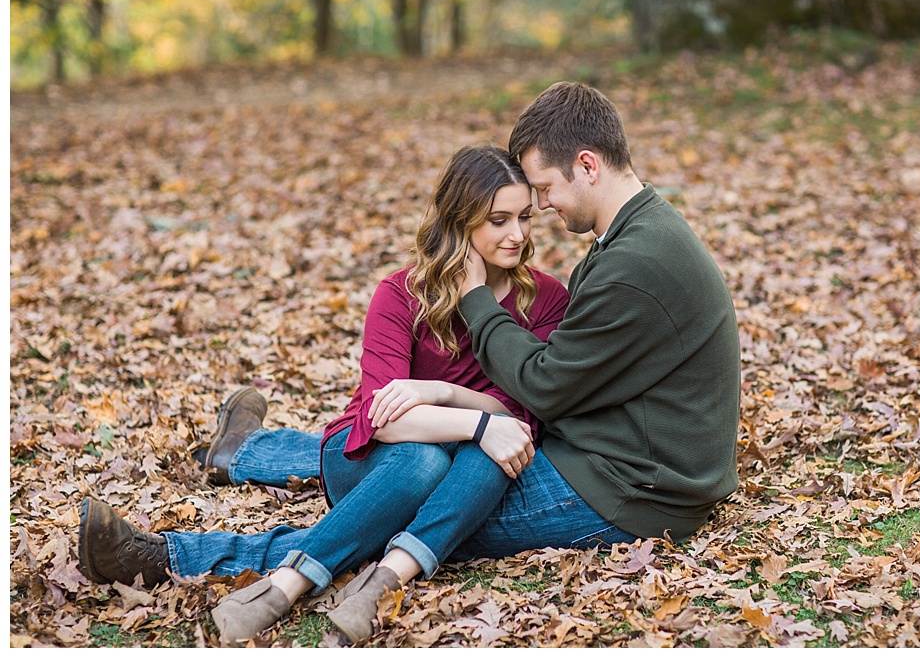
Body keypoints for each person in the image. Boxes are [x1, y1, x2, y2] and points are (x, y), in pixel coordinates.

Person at [78, 82, 742, 642]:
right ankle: (235, 479)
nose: (539, 212)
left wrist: (476, 323)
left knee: (394, 508)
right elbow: (432, 404)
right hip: (621, 463)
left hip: (629, 488)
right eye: (509, 211)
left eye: (542, 192)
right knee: (416, 470)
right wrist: (466, 408)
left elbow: (541, 389)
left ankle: (171, 555)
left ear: (588, 165)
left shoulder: (624, 266)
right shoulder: (632, 240)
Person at [77, 144, 568, 644]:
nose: (517, 234)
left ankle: (312, 585)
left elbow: (524, 415)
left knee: (483, 458)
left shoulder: (547, 299)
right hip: (364, 459)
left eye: (525, 217)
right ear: (459, 223)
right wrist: (481, 419)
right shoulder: (400, 295)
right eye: (498, 220)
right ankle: (276, 536)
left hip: (468, 470)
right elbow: (385, 421)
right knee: (424, 460)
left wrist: (437, 392)